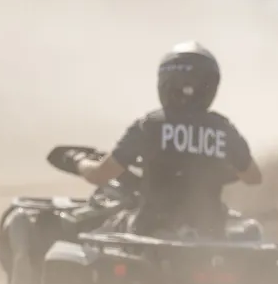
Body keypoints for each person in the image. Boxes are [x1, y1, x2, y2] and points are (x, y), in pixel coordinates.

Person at [76, 41, 262, 239]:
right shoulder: (225, 130)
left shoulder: (149, 126)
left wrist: (80, 161)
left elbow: (99, 176)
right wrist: (213, 168)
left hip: (150, 231)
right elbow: (253, 178)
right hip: (209, 234)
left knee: (95, 230)